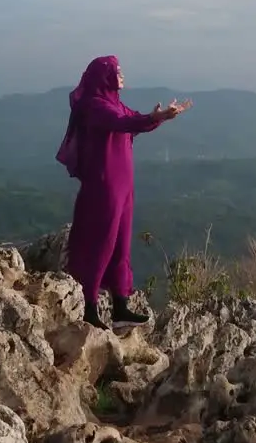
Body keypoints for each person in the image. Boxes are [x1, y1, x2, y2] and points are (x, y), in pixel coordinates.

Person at [55, 55, 192, 330]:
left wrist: (160, 117)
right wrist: (155, 117)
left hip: (122, 186)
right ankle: (89, 306)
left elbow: (133, 120)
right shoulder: (94, 106)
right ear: (104, 77)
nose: (122, 75)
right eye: (118, 72)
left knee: (120, 243)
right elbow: (122, 122)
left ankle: (120, 305)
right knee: (100, 243)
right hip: (104, 186)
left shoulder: (112, 103)